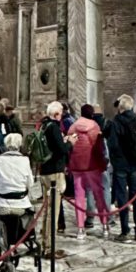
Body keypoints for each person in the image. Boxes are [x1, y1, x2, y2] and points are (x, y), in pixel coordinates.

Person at [0, 132, 34, 251]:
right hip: (22, 206)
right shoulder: (25, 160)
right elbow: (30, 183)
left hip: (3, 205)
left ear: (5, 145)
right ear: (20, 145)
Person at [104, 94, 136, 242]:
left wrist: (115, 158)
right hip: (133, 163)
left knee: (122, 197)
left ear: (120, 107)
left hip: (121, 164)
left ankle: (125, 231)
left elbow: (113, 144)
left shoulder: (117, 121)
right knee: (135, 196)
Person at [40, 100, 77, 259]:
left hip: (45, 172)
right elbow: (61, 150)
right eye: (61, 113)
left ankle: (45, 244)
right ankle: (49, 248)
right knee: (52, 212)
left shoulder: (43, 125)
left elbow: (53, 146)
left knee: (47, 210)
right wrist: (71, 143)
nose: (62, 116)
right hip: (54, 173)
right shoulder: (54, 127)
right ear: (56, 114)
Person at [67, 104, 111, 239]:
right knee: (98, 194)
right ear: (92, 114)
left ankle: (80, 229)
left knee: (79, 196)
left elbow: (69, 147)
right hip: (92, 164)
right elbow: (98, 147)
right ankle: (104, 225)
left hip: (77, 165)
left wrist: (69, 164)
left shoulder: (73, 126)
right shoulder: (94, 126)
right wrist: (102, 163)